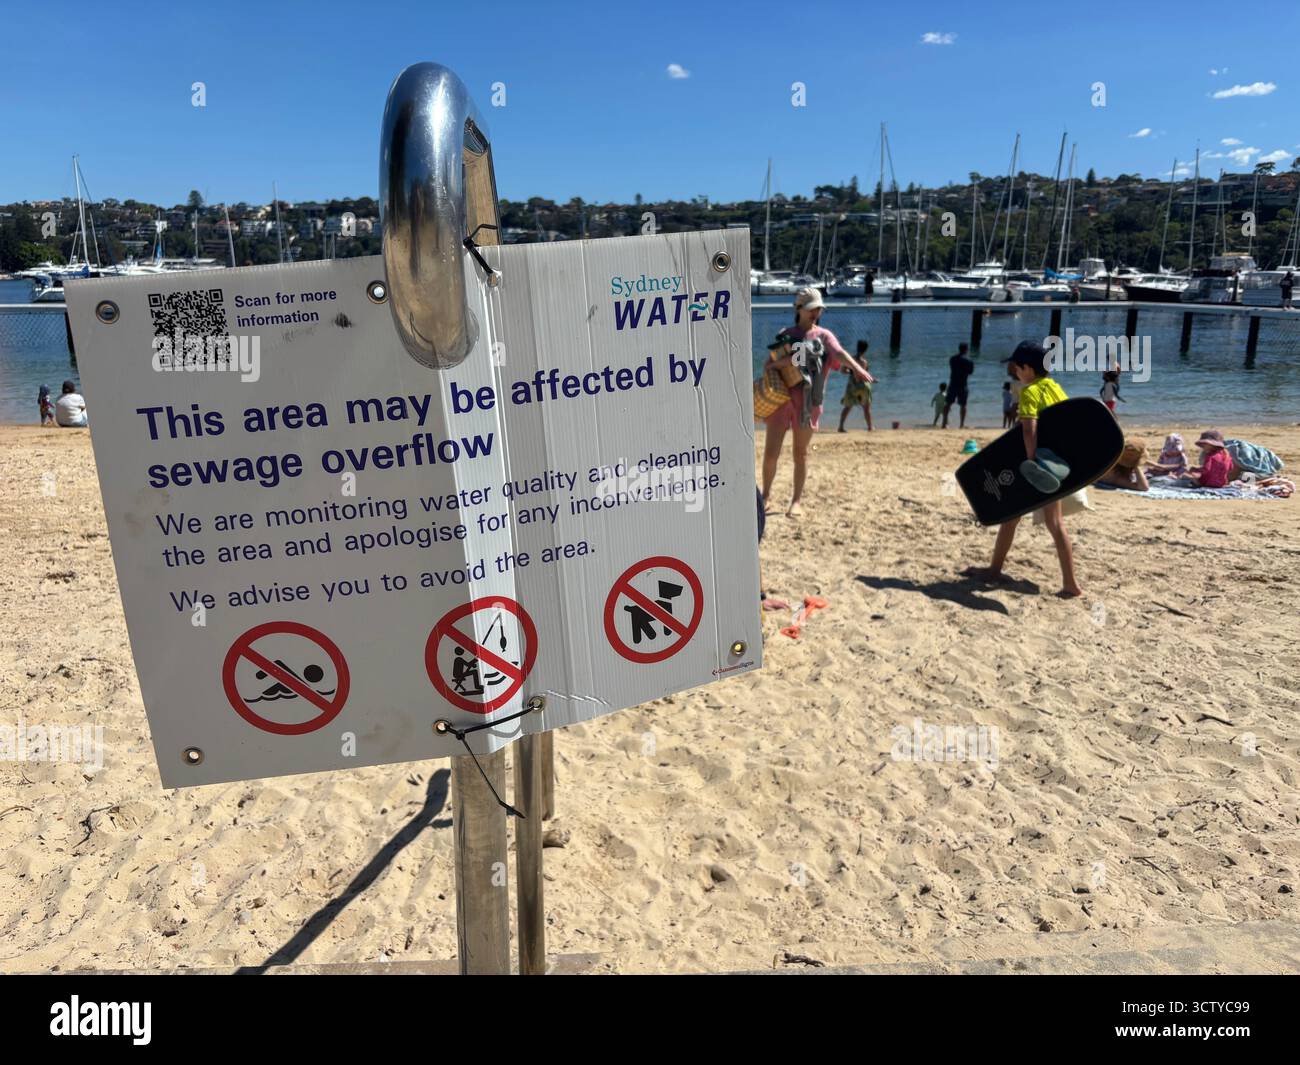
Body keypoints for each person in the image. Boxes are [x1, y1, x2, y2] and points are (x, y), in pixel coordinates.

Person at [964, 341, 1081, 597]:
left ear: (1026, 368)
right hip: (1056, 464)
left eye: (1016, 366)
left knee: (1011, 516)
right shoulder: (1054, 387)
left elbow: (1029, 430)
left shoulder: (1029, 392)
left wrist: (1031, 463)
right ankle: (1070, 584)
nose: (1014, 371)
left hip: (1036, 468)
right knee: (1054, 523)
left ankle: (994, 571)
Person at [762, 287, 873, 517]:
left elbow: (838, 353)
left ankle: (796, 501)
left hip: (809, 404)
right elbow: (775, 361)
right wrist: (777, 364)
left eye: (819, 309)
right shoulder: (786, 333)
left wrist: (856, 368)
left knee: (800, 454)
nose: (816, 313)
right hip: (782, 399)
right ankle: (766, 496)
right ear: (799, 309)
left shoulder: (824, 336)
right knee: (771, 453)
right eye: (811, 308)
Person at [837, 340, 876, 431]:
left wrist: (851, 372)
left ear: (857, 347)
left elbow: (842, 370)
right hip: (862, 386)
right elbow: (863, 376)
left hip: (852, 385)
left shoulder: (850, 359)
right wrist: (873, 380)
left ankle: (841, 426)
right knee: (866, 408)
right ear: (865, 350)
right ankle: (870, 427)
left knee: (847, 406)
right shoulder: (864, 362)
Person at [942, 342, 974, 429]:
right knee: (963, 405)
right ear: (966, 349)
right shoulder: (969, 361)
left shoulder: (952, 359)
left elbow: (952, 368)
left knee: (948, 403)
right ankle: (961, 424)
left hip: (953, 383)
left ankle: (944, 423)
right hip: (963, 384)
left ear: (959, 349)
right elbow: (970, 372)